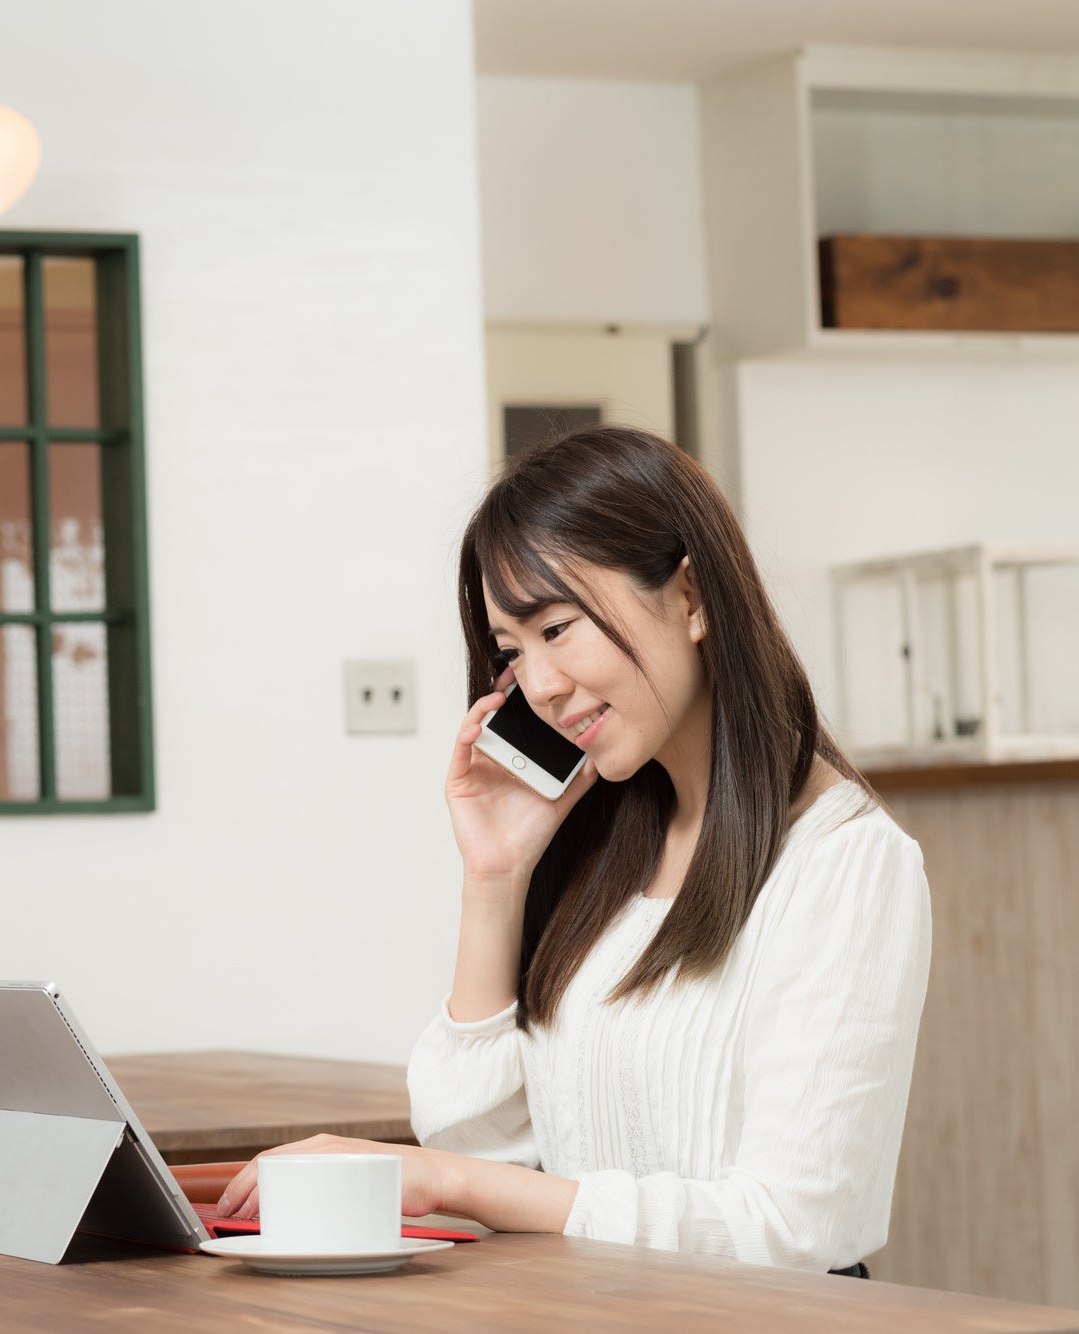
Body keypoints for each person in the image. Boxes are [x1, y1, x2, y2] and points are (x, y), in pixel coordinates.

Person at [216, 426, 932, 1275]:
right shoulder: (612, 851)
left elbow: (796, 1228)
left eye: (558, 628)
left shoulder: (846, 864)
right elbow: (491, 1150)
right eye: (512, 652)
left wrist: (450, 1182)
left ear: (693, 597)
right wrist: (495, 877)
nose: (540, 685)